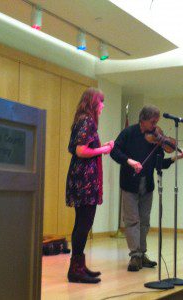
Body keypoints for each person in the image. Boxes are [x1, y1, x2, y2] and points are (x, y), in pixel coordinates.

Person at [110, 105, 183, 272]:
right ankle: (134, 256)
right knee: (132, 221)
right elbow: (114, 151)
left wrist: (177, 157)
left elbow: (160, 164)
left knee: (145, 222)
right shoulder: (128, 133)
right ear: (143, 120)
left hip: (147, 186)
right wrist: (129, 161)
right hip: (129, 184)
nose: (155, 127)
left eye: (156, 122)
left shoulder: (156, 140)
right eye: (152, 122)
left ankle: (142, 254)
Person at [66, 87, 114, 284]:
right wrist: (105, 149)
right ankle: (76, 270)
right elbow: (80, 150)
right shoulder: (87, 120)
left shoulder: (82, 120)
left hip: (81, 178)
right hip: (84, 180)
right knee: (84, 224)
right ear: (94, 103)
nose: (103, 106)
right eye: (101, 102)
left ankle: (78, 266)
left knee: (82, 223)